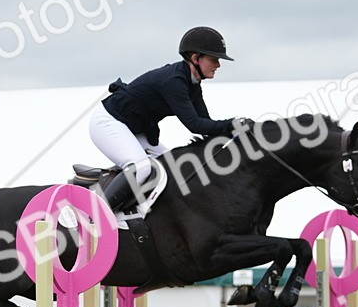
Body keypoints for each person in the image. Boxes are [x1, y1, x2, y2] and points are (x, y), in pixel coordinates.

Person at [90, 26, 250, 211]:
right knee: (141, 167)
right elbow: (195, 125)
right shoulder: (174, 81)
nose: (218, 65)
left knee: (173, 167)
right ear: (196, 58)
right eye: (214, 59)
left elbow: (207, 125)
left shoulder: (193, 85)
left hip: (132, 128)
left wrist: (236, 138)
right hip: (108, 122)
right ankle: (97, 216)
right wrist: (233, 124)